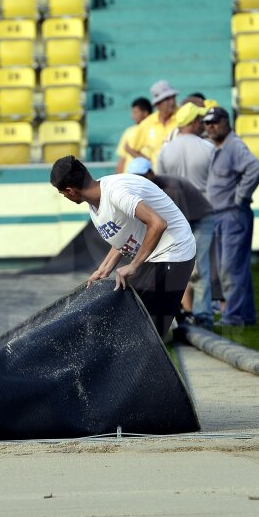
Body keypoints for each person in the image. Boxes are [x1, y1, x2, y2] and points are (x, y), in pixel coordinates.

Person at [50, 155, 196, 339]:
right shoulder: (96, 202)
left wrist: (133, 265)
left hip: (173, 252)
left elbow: (158, 224)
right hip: (152, 256)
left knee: (146, 332)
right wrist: (103, 270)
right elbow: (126, 237)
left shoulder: (117, 193)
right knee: (128, 319)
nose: (65, 197)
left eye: (62, 194)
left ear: (70, 191)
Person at [156, 102, 217, 324]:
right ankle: (203, 316)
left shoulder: (165, 150)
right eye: (200, 120)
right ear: (192, 123)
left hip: (175, 214)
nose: (203, 124)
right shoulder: (208, 148)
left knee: (177, 266)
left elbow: (159, 187)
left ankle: (180, 312)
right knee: (202, 267)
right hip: (203, 211)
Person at [203, 105, 259, 327]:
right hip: (223, 215)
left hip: (232, 214)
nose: (211, 126)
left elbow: (255, 168)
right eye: (207, 123)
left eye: (215, 122)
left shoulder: (233, 145)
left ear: (227, 122)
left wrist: (240, 197)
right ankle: (245, 315)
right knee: (234, 267)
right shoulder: (219, 146)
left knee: (230, 268)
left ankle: (235, 316)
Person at [129, 80, 178, 164]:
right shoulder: (147, 123)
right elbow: (130, 148)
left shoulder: (183, 116)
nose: (172, 102)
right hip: (158, 175)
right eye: (167, 99)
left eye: (173, 97)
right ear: (157, 104)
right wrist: (150, 164)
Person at [114, 97, 152, 173]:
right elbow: (122, 160)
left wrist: (130, 150)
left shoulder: (155, 131)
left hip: (148, 179)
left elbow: (154, 163)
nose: (132, 116)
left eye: (135, 112)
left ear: (145, 112)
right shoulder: (129, 131)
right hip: (128, 179)